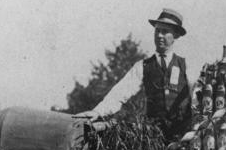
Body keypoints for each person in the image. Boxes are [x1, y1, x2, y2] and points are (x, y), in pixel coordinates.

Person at [81, 8, 192, 141]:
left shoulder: (186, 65)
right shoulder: (143, 66)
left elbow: (199, 95)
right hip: (153, 137)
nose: (159, 35)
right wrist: (98, 112)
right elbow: (120, 92)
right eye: (157, 30)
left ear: (176, 35)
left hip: (183, 137)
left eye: (165, 32)